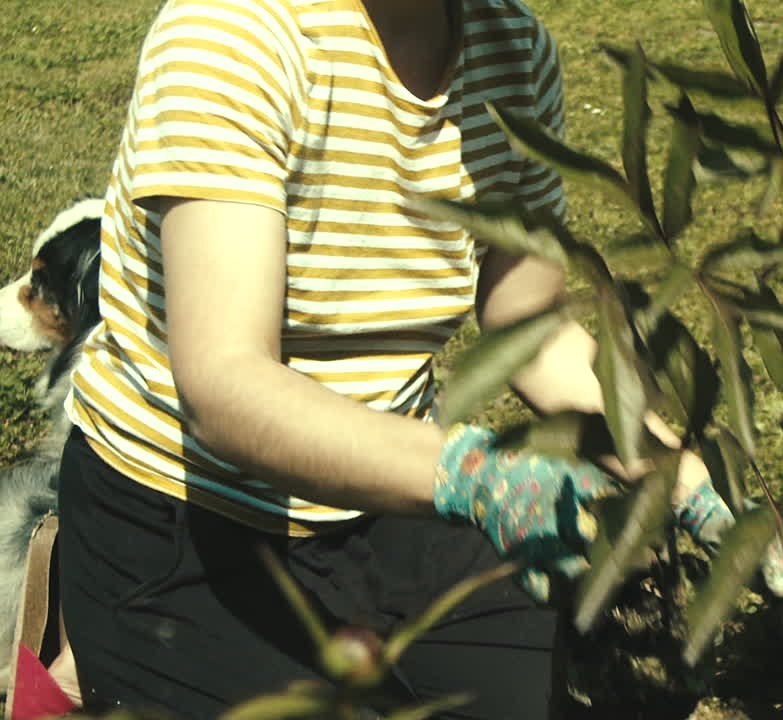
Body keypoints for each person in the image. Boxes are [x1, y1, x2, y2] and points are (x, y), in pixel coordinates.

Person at [55, 0, 735, 717]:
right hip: (190, 522)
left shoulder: (513, 51)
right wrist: (475, 476)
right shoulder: (235, 32)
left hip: (389, 506)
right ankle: (82, 653)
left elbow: (528, 326)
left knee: (597, 697)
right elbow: (226, 386)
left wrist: (679, 476)